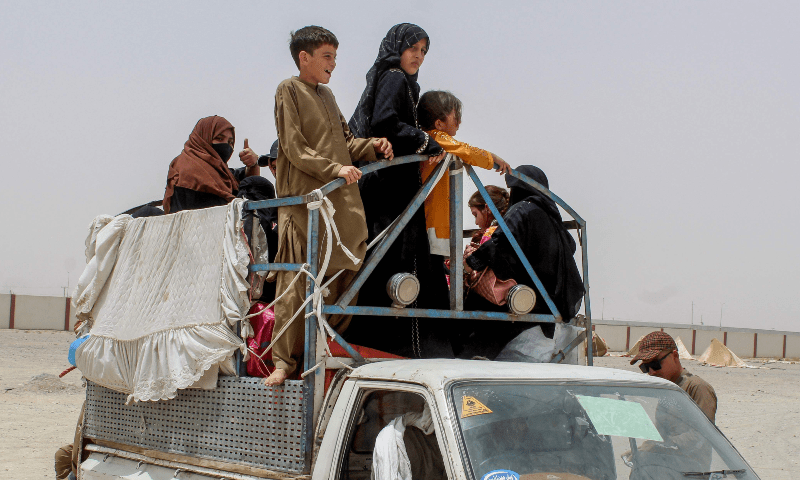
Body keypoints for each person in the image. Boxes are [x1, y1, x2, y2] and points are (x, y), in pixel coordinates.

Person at [267, 25, 393, 385]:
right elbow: (292, 146)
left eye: (335, 57)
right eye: (327, 56)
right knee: (296, 281)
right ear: (303, 57)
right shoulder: (288, 90)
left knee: (344, 277)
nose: (333, 64)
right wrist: (334, 168)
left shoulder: (329, 95)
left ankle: (320, 346)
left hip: (340, 204)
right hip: (304, 203)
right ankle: (283, 362)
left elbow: (347, 143)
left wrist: (372, 147)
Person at [344, 23, 451, 359]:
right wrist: (424, 141)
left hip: (391, 187)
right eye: (412, 48)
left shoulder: (398, 80)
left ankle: (389, 345)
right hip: (390, 189)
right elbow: (384, 122)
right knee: (398, 261)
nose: (417, 56)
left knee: (393, 263)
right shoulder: (394, 77)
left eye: (423, 51)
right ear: (396, 48)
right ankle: (405, 349)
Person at [456, 165, 585, 359]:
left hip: (524, 306)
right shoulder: (552, 216)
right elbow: (571, 246)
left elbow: (500, 244)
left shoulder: (521, 210)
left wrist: (472, 261)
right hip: (549, 307)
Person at [417, 90, 511, 256]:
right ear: (439, 124)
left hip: (431, 219)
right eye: (455, 117)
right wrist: (491, 158)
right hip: (434, 222)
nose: (459, 122)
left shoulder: (426, 140)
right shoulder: (436, 137)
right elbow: (465, 150)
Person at [163, 115, 260, 214]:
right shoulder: (189, 167)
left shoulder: (220, 172)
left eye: (230, 142)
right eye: (219, 138)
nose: (226, 146)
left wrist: (253, 164)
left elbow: (243, 181)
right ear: (203, 138)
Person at [630, 331, 717, 422]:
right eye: (645, 367)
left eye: (655, 364)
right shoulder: (663, 387)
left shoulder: (697, 388)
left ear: (674, 356)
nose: (651, 372)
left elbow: (703, 433)